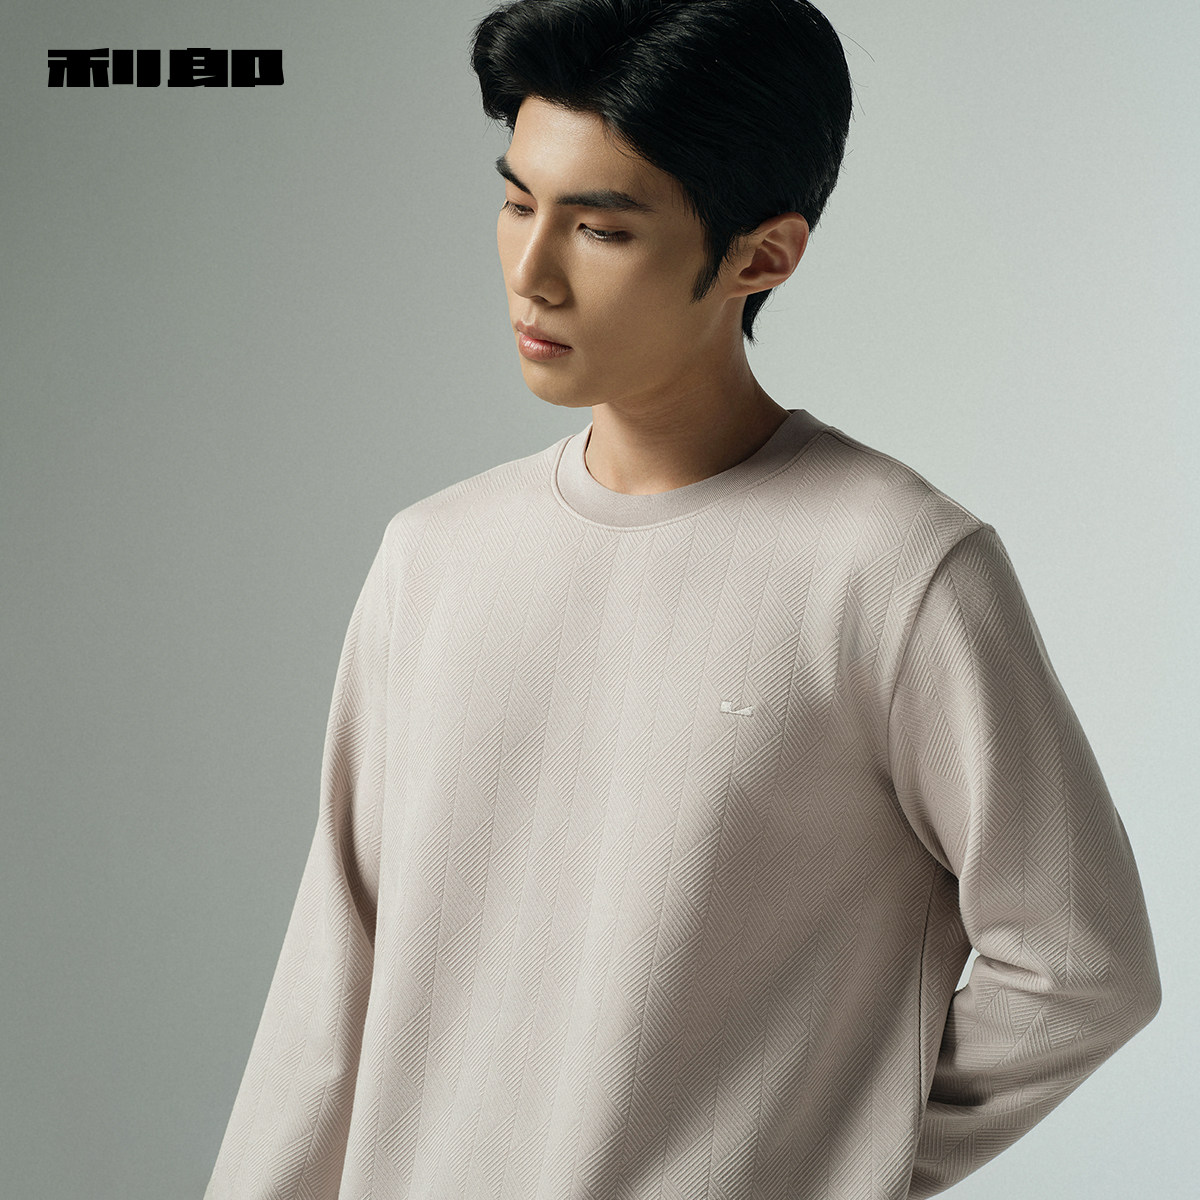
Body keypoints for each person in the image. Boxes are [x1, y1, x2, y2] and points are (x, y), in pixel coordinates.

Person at [203, 2, 1161, 1197]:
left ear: (763, 256)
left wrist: (822, 1160)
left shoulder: (896, 572)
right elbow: (327, 993)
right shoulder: (432, 558)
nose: (531, 272)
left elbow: (1079, 965)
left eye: (600, 228)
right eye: (517, 203)